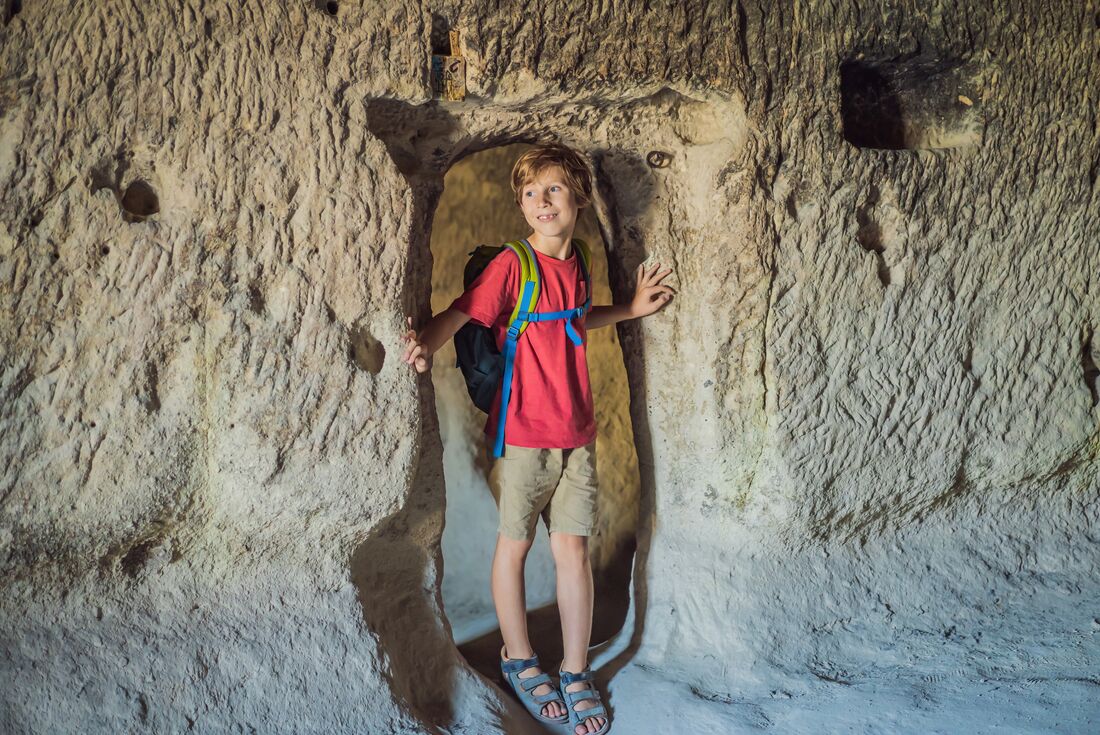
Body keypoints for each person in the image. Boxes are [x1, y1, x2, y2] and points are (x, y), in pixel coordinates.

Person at [401, 143, 673, 734]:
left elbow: (574, 319)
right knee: (516, 547)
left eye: (553, 189)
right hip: (526, 436)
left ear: (579, 197)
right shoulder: (513, 265)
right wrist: (424, 343)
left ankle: (574, 670)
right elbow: (463, 312)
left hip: (578, 435)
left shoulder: (578, 260)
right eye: (530, 193)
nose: (541, 202)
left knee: (572, 552)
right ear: (521, 204)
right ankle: (520, 658)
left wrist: (629, 309)